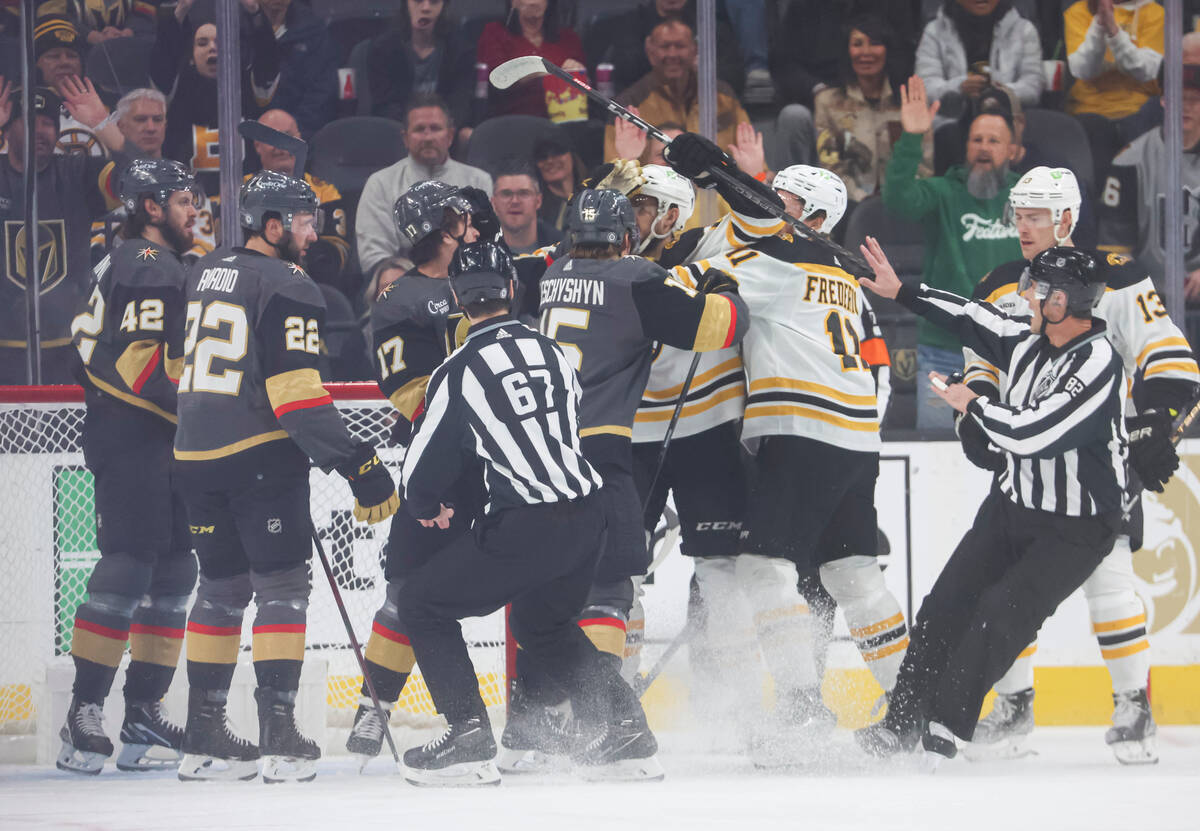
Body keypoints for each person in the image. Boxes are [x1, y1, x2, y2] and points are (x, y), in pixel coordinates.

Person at [663, 139, 905, 763]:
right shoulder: (844, 278)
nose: (773, 211)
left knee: (760, 568)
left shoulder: (776, 262)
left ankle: (800, 709)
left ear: (816, 218)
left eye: (787, 203)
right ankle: (914, 707)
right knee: (853, 573)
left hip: (800, 430)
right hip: (857, 439)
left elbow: (681, 291)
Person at [397, 240, 662, 786]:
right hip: (590, 515)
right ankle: (627, 731)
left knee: (422, 603)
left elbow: (420, 473)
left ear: (456, 298)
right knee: (541, 622)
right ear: (513, 290)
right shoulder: (556, 351)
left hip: (528, 523)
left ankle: (469, 735)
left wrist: (429, 507)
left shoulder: (459, 369)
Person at [502, 188, 749, 772]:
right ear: (624, 236)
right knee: (610, 586)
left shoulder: (547, 271)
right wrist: (723, 285)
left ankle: (527, 727)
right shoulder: (636, 278)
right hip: (601, 449)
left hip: (536, 454)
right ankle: (601, 723)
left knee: (546, 589)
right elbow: (719, 329)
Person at [958, 166, 1199, 764]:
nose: (1023, 228)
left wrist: (1156, 421)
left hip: (1094, 465)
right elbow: (978, 363)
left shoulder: (1113, 278)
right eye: (1018, 215)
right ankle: (1015, 707)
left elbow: (1168, 356)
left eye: (1035, 216)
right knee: (1006, 584)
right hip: (1025, 465)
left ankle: (1134, 707)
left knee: (1108, 579)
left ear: (1067, 219)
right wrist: (974, 416)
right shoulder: (998, 282)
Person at [855, 242, 1128, 763]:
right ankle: (901, 724)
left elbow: (1034, 433)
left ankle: (946, 727)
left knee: (998, 617)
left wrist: (974, 405)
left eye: (1038, 290)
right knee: (943, 607)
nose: (1026, 297)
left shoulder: (1097, 362)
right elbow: (969, 315)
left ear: (1063, 302)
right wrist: (904, 290)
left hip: (1076, 528)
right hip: (1013, 505)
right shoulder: (1027, 339)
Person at [173, 171, 400, 783]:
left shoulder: (204, 269)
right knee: (280, 588)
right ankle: (277, 732)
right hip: (258, 454)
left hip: (192, 451)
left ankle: (203, 734)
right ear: (270, 225)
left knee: (219, 589)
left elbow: (177, 363)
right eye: (303, 221)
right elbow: (297, 398)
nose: (313, 233)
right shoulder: (289, 283)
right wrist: (359, 463)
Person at [343, 179, 501, 764]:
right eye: (461, 217)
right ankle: (372, 713)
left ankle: (545, 717)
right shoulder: (401, 299)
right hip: (444, 468)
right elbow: (406, 392)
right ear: (441, 228)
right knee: (406, 592)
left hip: (504, 464)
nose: (472, 223)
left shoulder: (484, 272)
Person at [56, 159, 199, 776]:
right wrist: (212, 405)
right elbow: (142, 366)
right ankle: (83, 713)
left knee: (173, 569)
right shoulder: (150, 263)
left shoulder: (127, 259)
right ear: (150, 206)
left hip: (151, 436)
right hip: (136, 432)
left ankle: (142, 713)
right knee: (131, 565)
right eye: (185, 200)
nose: (196, 210)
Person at [883, 74, 1021, 431]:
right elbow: (897, 199)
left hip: (1013, 352)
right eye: (976, 140)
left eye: (994, 140)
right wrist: (912, 136)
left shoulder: (1026, 197)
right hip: (944, 351)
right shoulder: (945, 192)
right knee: (939, 455)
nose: (984, 148)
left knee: (1010, 447)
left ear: (1012, 150)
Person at [0, 84, 125, 384]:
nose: (41, 130)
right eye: (29, 121)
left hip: (70, 348)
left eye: (47, 123)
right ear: (7, 127)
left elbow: (140, 175)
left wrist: (103, 123)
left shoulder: (77, 172)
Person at [1098, 39, 1200, 302]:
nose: (1186, 106)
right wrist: (1139, 290)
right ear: (1164, 100)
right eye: (1178, 97)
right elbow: (1113, 250)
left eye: (1195, 99)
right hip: (1150, 302)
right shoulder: (1129, 162)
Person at [149, 0, 280, 198]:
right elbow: (163, 63)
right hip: (189, 202)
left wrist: (255, 12)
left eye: (221, 42)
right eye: (202, 43)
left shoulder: (250, 86)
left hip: (245, 199)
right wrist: (181, 10)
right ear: (191, 55)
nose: (212, 48)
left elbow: (268, 61)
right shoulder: (175, 88)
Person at [355, 93, 493, 280]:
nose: (428, 137)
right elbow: (375, 258)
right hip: (400, 288)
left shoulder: (479, 181)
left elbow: (487, 245)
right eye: (419, 129)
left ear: (450, 135)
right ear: (405, 138)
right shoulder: (380, 183)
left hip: (467, 286)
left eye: (435, 128)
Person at [814, 13, 934, 205]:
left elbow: (924, 167)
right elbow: (830, 168)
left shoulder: (910, 101)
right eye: (857, 44)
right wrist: (862, 199)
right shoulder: (828, 102)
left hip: (904, 203)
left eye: (875, 43)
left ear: (888, 50)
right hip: (847, 204)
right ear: (847, 51)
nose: (866, 52)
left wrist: (900, 197)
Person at [602, 19, 750, 167]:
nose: (672, 54)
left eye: (680, 46)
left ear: (695, 50)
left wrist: (759, 174)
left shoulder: (722, 95)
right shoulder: (629, 103)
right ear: (650, 52)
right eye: (665, 47)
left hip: (714, 189)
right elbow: (612, 177)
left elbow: (754, 166)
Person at [249, 108, 351, 296]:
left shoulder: (326, 193)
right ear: (257, 145)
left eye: (288, 136)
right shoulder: (239, 192)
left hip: (312, 289)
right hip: (252, 289)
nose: (281, 146)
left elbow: (334, 258)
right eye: (272, 138)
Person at [1065, 0, 1165, 186]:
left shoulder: (1154, 13)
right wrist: (1099, 24)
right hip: (1090, 109)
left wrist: (1114, 32)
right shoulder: (1078, 12)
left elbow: (1147, 70)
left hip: (1138, 108)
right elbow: (1083, 69)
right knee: (1093, 137)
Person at [915, 0, 1045, 112]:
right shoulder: (934, 31)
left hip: (1008, 122)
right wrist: (959, 87)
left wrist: (1001, 93)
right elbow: (925, 88)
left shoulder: (1024, 30)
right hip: (952, 123)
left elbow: (1033, 88)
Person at [367, 0, 475, 133]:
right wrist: (415, 130)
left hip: (443, 130)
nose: (426, 8)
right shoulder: (383, 49)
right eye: (418, 1)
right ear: (406, 4)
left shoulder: (460, 50)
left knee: (468, 135)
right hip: (400, 130)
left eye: (434, 2)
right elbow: (385, 105)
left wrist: (439, 129)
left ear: (443, 7)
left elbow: (460, 103)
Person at [477, 0, 586, 120]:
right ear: (513, 2)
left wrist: (579, 73)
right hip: (512, 119)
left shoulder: (568, 37)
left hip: (563, 118)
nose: (532, 2)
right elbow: (498, 78)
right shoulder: (495, 32)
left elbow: (586, 86)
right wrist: (543, 72)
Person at [258, 0, 337, 139]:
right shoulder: (235, 30)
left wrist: (294, 131)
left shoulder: (314, 30)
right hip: (248, 138)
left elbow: (321, 92)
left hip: (301, 136)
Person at [491, 161, 562, 255]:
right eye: (506, 194)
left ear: (538, 201)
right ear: (494, 203)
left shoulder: (563, 248)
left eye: (523, 193)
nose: (515, 201)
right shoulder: (479, 253)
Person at [532, 135, 585, 231]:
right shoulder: (535, 208)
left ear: (572, 156)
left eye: (557, 152)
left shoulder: (596, 192)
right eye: (542, 156)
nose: (550, 160)